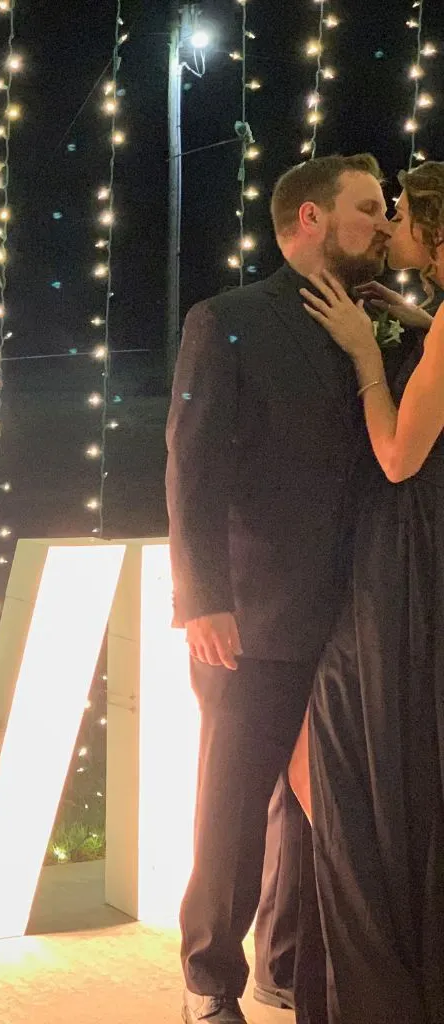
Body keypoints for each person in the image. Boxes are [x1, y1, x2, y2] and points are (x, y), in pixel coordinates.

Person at [166, 153, 392, 1024]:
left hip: (352, 620)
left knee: (316, 808)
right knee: (232, 804)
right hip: (251, 618)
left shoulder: (370, 323)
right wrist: (203, 596)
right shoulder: (226, 320)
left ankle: (288, 961)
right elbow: (191, 464)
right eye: (366, 209)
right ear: (309, 218)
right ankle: (207, 984)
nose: (381, 223)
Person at [289, 161, 444, 1024]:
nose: (388, 231)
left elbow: (397, 454)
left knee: (362, 728)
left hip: (410, 553)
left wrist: (362, 356)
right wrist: (408, 317)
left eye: (401, 219)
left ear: (434, 231)